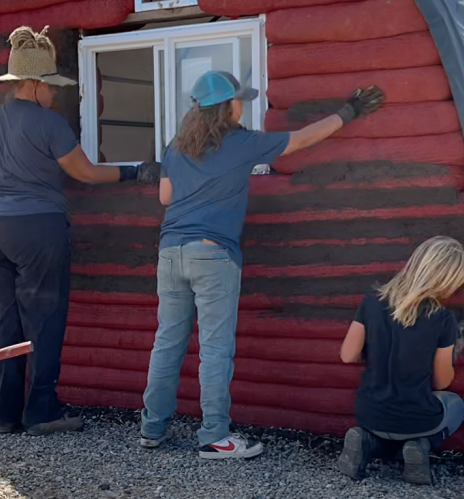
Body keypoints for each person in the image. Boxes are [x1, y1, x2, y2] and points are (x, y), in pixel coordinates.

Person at [139, 71, 386, 459]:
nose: (243, 105)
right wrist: (349, 111)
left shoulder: (176, 146)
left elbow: (166, 196)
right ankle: (214, 437)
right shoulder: (241, 143)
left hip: (171, 253)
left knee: (167, 342)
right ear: (227, 106)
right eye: (240, 100)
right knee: (215, 349)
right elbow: (303, 139)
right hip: (213, 255)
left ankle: (152, 429)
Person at [0, 26, 161, 436]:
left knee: (8, 321)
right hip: (36, 227)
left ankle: (5, 413)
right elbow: (86, 172)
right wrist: (137, 171)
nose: (54, 94)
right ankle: (41, 411)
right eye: (51, 86)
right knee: (45, 318)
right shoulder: (48, 122)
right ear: (36, 84)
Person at [337, 236, 464, 485]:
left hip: (369, 413)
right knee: (456, 404)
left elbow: (348, 355)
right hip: (416, 417)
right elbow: (442, 382)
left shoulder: (370, 302)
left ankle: (367, 442)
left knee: (384, 425)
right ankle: (420, 446)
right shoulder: (443, 319)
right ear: (449, 280)